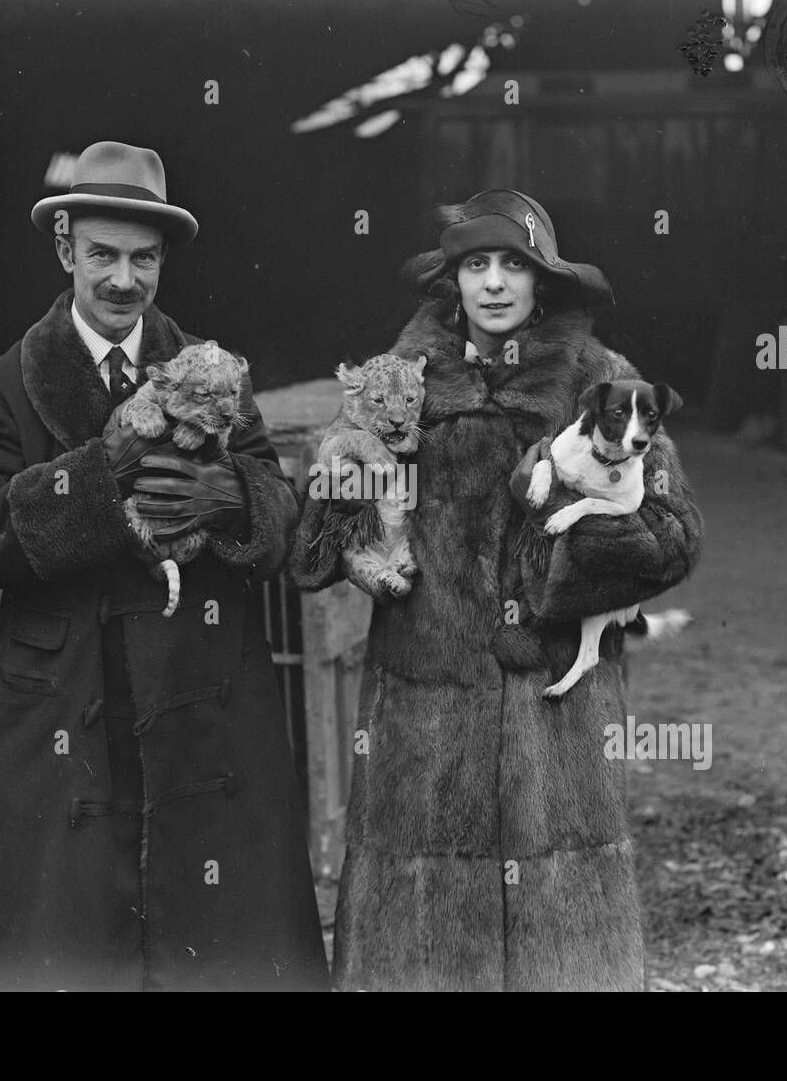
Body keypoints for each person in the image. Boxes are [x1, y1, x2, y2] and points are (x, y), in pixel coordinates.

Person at [0, 141, 328, 991]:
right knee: (64, 942)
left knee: (214, 941)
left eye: (143, 259)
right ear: (66, 250)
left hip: (199, 686)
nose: (122, 280)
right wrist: (97, 475)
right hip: (63, 700)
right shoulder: (1, 387)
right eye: (102, 255)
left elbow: (281, 519)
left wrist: (227, 496)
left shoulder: (214, 376)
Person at [290, 189, 704, 991]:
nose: (494, 284)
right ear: (452, 283)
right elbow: (318, 545)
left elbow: (672, 537)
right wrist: (354, 511)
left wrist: (558, 565)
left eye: (514, 265)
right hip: (423, 704)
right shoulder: (397, 380)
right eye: (475, 265)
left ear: (542, 282)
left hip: (556, 707)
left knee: (562, 932)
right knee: (422, 929)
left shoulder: (603, 381)